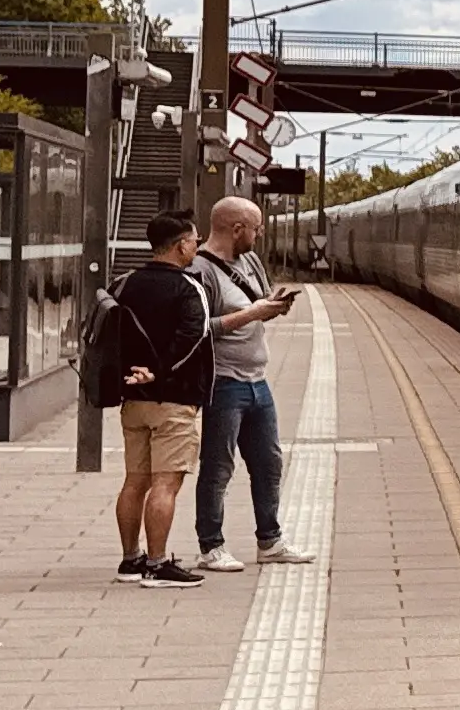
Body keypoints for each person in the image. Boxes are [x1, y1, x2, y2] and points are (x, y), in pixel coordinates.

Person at [190, 198, 316, 572]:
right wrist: (255, 312)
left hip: (257, 381)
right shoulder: (201, 270)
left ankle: (270, 540)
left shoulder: (250, 261)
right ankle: (210, 545)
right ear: (237, 229)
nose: (260, 236)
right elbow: (199, 328)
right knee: (218, 466)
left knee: (269, 462)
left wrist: (272, 306)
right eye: (256, 229)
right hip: (223, 381)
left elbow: (258, 301)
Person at [112, 213, 217, 588]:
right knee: (165, 485)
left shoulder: (125, 284)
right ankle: (157, 564)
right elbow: (193, 337)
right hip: (172, 398)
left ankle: (130, 560)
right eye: (194, 240)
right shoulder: (190, 288)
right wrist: (157, 371)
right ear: (180, 246)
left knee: (133, 482)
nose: (197, 245)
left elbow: (109, 333)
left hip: (133, 398)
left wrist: (131, 373)